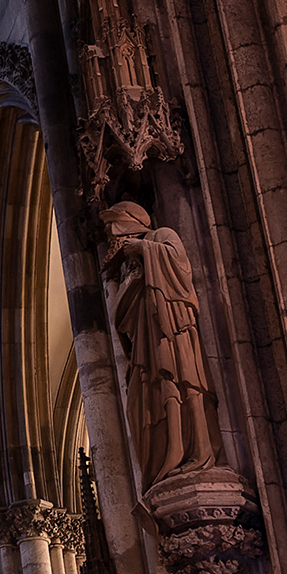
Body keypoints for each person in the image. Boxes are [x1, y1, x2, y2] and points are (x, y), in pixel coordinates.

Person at [101, 202, 224, 489]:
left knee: (184, 384)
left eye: (112, 227)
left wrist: (144, 249)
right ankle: (165, 459)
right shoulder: (127, 268)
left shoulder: (161, 236)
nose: (110, 236)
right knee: (140, 404)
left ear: (128, 223)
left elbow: (180, 268)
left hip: (172, 328)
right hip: (146, 340)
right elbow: (123, 316)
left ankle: (199, 451)